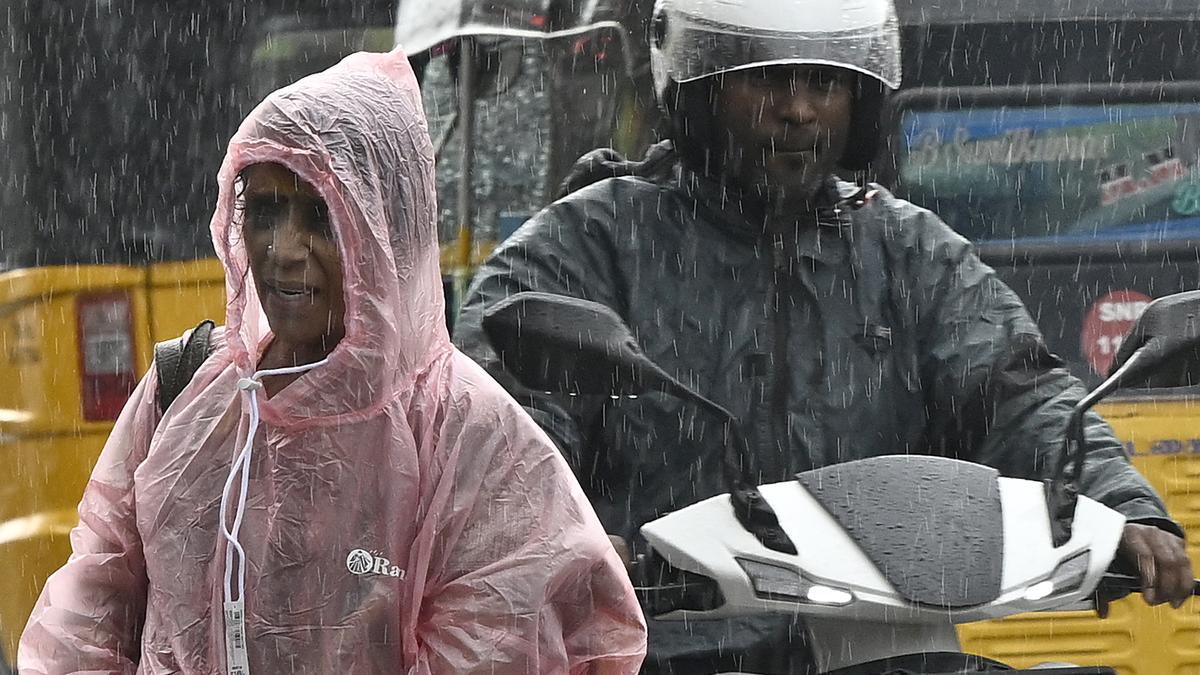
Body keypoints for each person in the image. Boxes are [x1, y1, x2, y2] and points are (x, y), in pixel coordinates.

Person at [453, 0, 1195, 671]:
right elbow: (506, 429)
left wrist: (1121, 506)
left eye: (826, 84)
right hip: (654, 643)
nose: (800, 111)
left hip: (885, 638)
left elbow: (1019, 393)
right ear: (700, 90)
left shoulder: (906, 250)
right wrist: (557, 545)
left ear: (862, 103)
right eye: (769, 81)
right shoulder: (587, 245)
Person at [18, 49, 646, 674]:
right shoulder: (185, 390)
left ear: (386, 230)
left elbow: (499, 644)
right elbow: (89, 616)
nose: (283, 250)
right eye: (263, 211)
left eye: (320, 216)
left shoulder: (474, 440)